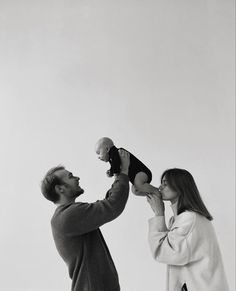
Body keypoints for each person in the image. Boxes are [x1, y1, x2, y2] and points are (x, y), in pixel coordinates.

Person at [40, 149, 130, 291]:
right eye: (70, 177)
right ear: (60, 189)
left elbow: (107, 204)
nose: (77, 178)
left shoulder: (68, 215)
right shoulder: (68, 216)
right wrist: (123, 172)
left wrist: (118, 174)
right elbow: (112, 205)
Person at [146, 168, 229, 291]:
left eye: (165, 183)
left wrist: (159, 213)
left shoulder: (189, 218)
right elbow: (168, 247)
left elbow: (165, 252)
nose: (160, 187)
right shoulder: (183, 219)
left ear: (180, 187)